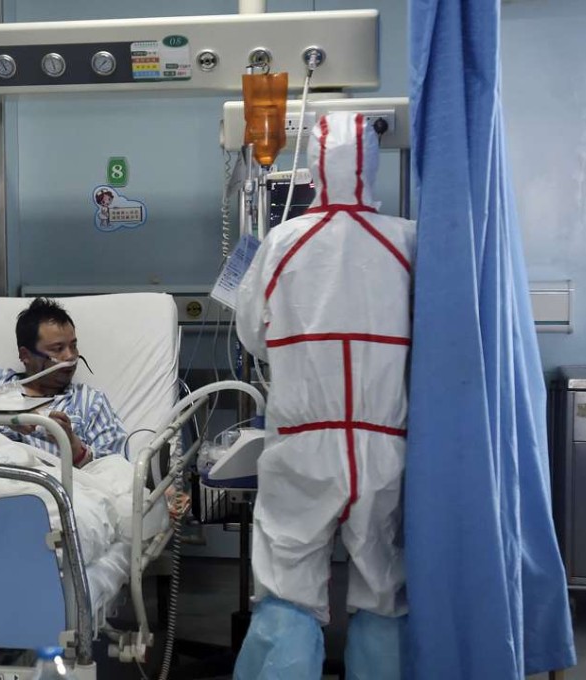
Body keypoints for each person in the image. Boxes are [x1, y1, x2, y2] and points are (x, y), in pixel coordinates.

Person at [233, 112, 416, 679]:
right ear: (374, 163)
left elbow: (252, 334)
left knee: (288, 587)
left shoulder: (284, 241)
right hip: (385, 445)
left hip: (304, 445)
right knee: (383, 589)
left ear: (314, 166)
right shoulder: (409, 242)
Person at [0, 297, 127, 468]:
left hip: (54, 488)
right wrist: (1, 413)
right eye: (58, 349)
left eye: (73, 346)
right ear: (25, 355)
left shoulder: (89, 402)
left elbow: (116, 470)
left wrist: (72, 444)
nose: (70, 356)